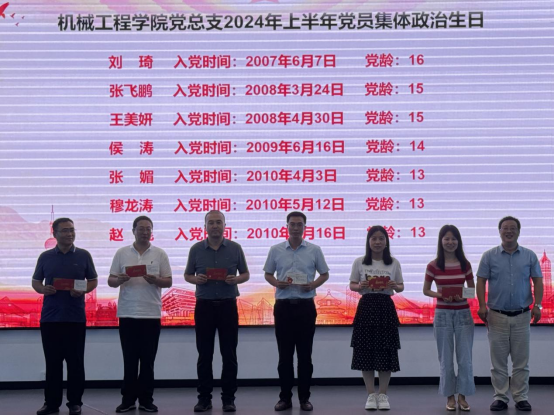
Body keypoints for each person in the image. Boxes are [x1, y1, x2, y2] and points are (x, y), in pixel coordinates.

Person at [31, 218, 98, 416]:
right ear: (55, 234)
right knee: (52, 363)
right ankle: (51, 404)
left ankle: (75, 403)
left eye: (72, 230)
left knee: (75, 363)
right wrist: (43, 289)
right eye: (65, 231)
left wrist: (83, 290)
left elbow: (93, 280)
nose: (70, 234)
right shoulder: (45, 257)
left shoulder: (84, 255)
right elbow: (36, 282)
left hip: (75, 317)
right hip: (50, 318)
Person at [185, 211, 250, 413]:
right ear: (205, 226)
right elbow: (187, 275)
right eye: (211, 222)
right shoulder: (196, 249)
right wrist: (195, 279)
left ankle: (228, 399)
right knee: (204, 355)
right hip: (204, 306)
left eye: (218, 222)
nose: (215, 226)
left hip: (227, 306)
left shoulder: (235, 248)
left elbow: (245, 274)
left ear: (224, 225)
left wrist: (236, 280)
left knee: (229, 355)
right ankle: (204, 399)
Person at [264, 212, 330, 412]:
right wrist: (277, 283)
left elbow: (324, 274)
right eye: (292, 224)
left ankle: (304, 398)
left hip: (305, 307)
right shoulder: (276, 250)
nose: (295, 228)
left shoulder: (314, 250)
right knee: (284, 356)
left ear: (304, 227)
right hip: (283, 307)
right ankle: (284, 398)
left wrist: (313, 285)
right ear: (286, 226)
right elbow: (268, 274)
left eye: (299, 225)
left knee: (305, 356)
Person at [477, 216, 544, 412]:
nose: (509, 231)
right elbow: (480, 281)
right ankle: (500, 397)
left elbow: (538, 281)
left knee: (521, 362)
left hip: (522, 315)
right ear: (499, 231)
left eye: (513, 228)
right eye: (505, 228)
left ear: (518, 231)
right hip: (496, 315)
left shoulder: (529, 256)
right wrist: (481, 305)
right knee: (498, 362)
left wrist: (537, 305)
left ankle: (521, 397)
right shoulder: (489, 256)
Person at [108, 216, 173, 413]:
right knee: (129, 360)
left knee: (147, 361)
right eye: (141, 228)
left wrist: (156, 280)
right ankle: (127, 400)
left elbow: (168, 281)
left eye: (148, 229)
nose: (145, 232)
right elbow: (111, 280)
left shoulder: (160, 253)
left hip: (151, 314)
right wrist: (119, 280)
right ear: (133, 230)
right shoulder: (122, 253)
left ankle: (146, 400)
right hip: (127, 314)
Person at [349, 225, 403, 411]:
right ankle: (371, 395)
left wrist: (394, 285)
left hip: (385, 307)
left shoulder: (393, 263)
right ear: (368, 241)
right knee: (366, 351)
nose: (378, 242)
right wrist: (360, 286)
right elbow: (352, 285)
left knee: (385, 351)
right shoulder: (360, 262)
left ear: (386, 242)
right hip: (367, 306)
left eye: (381, 238)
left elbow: (401, 287)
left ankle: (383, 394)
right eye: (374, 239)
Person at [423, 225, 475, 411]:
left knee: (465, 358)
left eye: (454, 239)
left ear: (458, 242)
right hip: (443, 314)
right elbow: (426, 290)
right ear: (441, 241)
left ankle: (463, 396)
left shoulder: (465, 264)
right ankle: (450, 397)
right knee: (445, 358)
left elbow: (471, 290)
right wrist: (441, 295)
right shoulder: (433, 265)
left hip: (463, 314)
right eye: (446, 239)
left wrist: (462, 295)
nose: (450, 242)